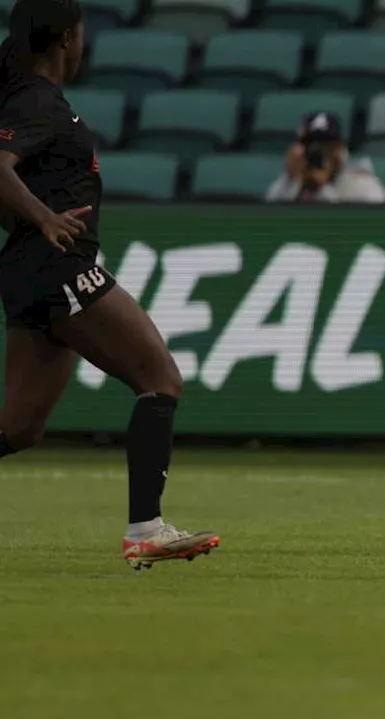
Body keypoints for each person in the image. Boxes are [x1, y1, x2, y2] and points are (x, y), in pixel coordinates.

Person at [0, 0, 219, 570]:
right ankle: (146, 528)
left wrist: (33, 218)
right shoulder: (39, 101)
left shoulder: (27, 95)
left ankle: (147, 527)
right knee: (159, 379)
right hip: (59, 266)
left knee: (17, 428)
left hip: (30, 272)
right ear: (65, 38)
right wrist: (45, 218)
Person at [265, 111, 385, 204]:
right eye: (309, 144)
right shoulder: (294, 175)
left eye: (325, 145)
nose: (316, 151)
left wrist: (322, 188)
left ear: (339, 148)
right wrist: (293, 182)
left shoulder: (360, 180)